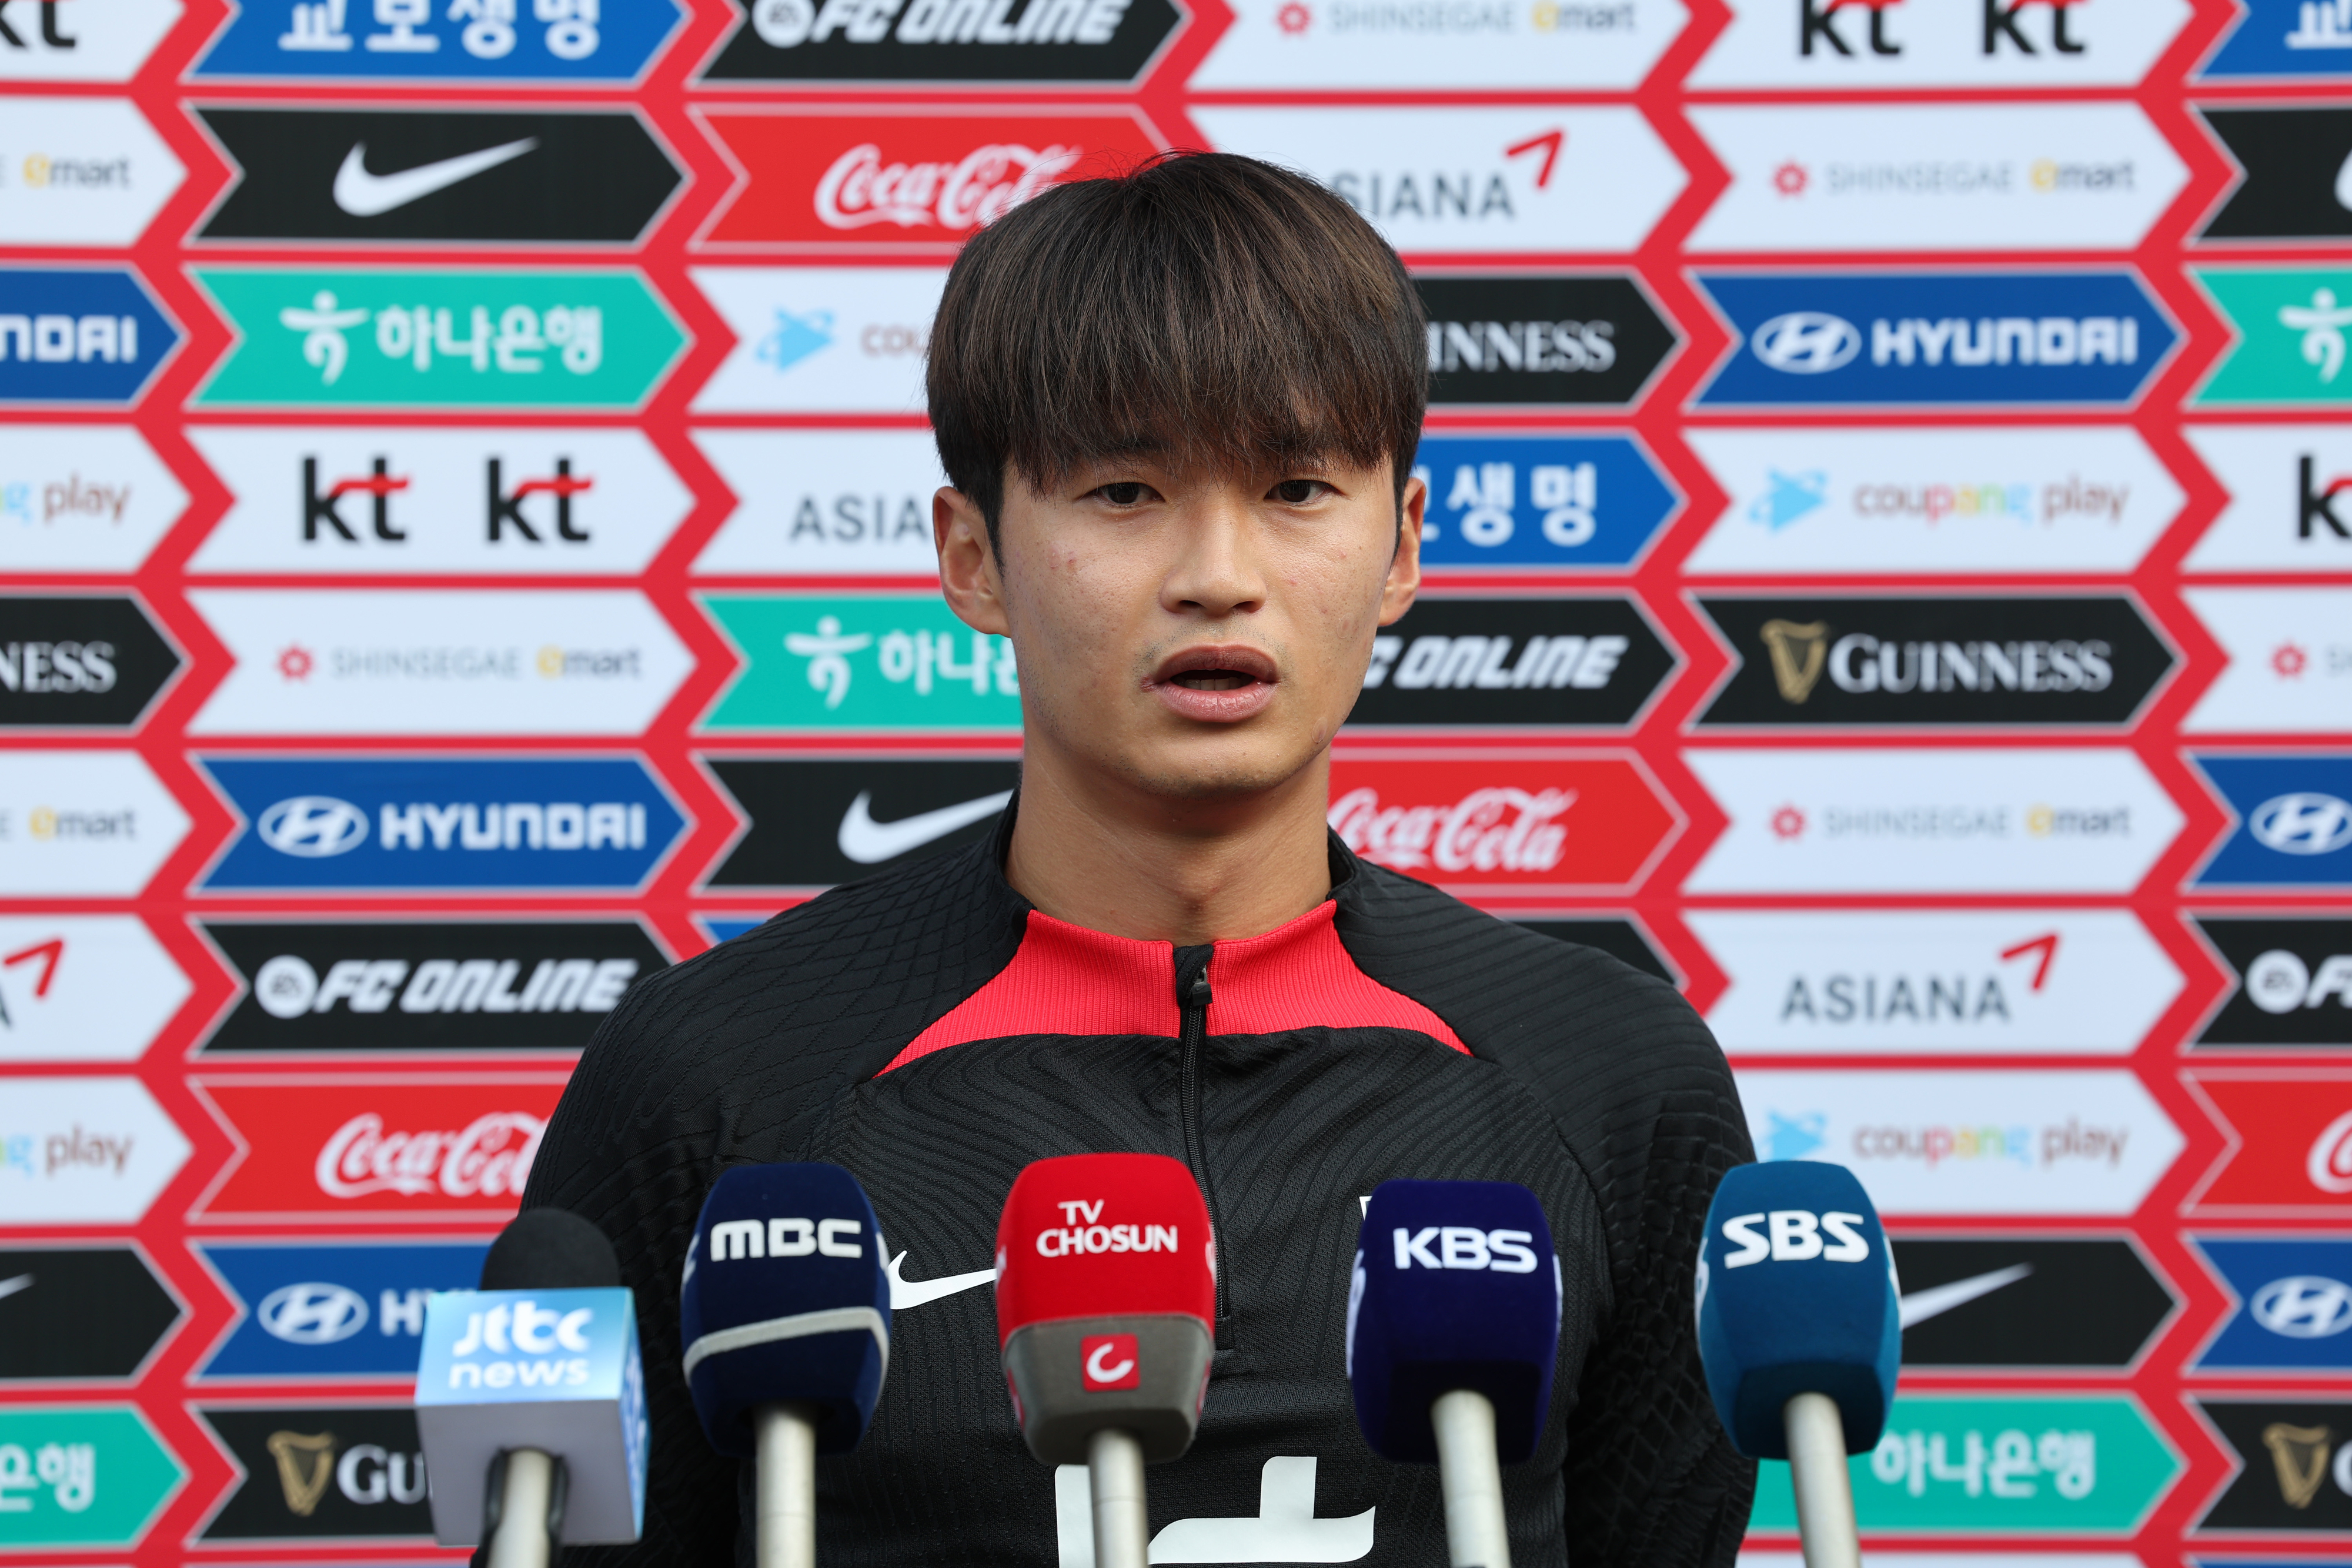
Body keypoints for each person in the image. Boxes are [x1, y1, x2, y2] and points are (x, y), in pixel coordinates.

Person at [526, 150, 1756, 1567]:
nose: (1216, 572)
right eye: (1123, 491)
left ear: (1405, 543)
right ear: (971, 554)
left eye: (1297, 487)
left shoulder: (1612, 1079)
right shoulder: (717, 1074)